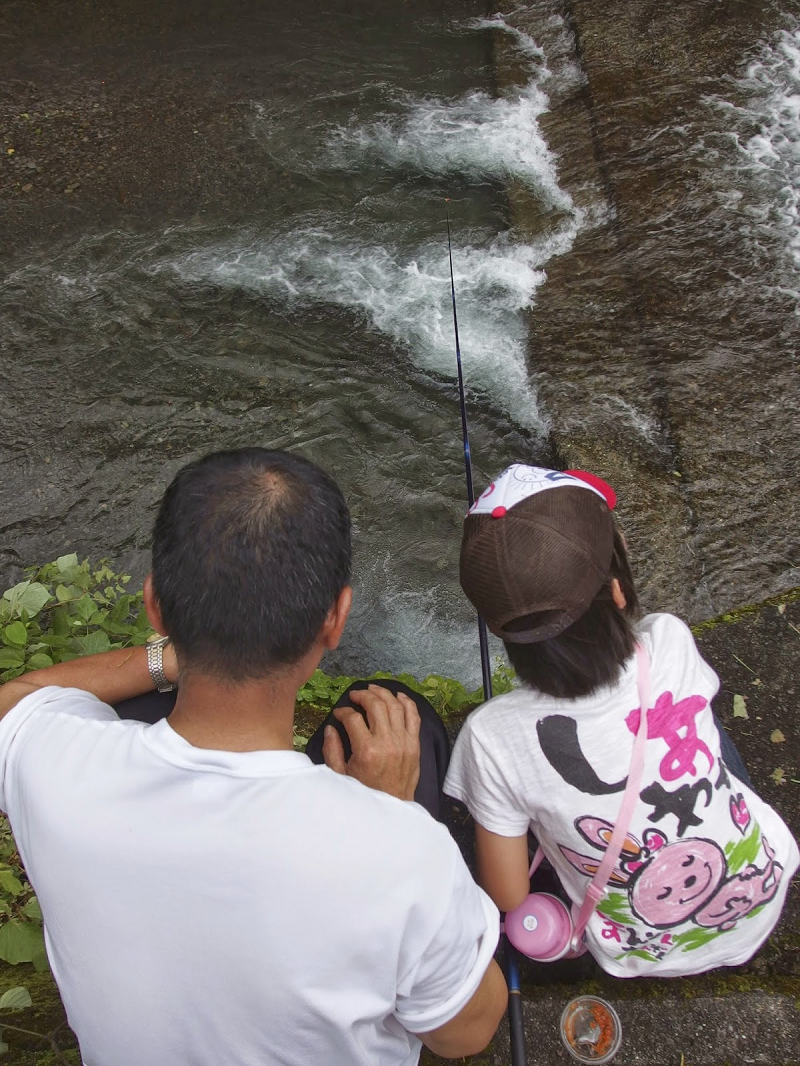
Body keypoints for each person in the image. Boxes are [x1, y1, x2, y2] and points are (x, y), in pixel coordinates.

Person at [0, 448, 507, 1066]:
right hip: (381, 849)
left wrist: (173, 655)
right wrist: (384, 813)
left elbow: (19, 699)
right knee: (396, 711)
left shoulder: (53, 768)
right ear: (336, 618)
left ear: (156, 605)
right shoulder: (404, 858)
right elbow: (466, 1034)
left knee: (134, 711)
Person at [444, 463, 799, 978]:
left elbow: (508, 893)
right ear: (616, 592)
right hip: (765, 887)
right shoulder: (670, 641)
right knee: (697, 721)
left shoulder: (489, 737)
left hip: (637, 954)